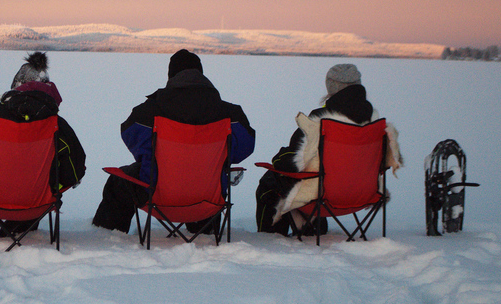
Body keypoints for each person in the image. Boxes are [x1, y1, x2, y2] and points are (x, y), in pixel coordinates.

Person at [92, 49, 256, 233]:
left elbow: (130, 135)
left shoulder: (151, 110)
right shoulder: (230, 114)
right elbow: (245, 147)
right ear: (201, 74)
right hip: (209, 198)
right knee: (213, 175)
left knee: (118, 181)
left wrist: (154, 156)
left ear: (171, 75)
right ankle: (205, 233)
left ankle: (106, 238)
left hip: (157, 193)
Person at [255, 63, 403, 236]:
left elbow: (294, 161)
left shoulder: (321, 121)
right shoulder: (374, 122)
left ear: (331, 86)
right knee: (321, 176)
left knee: (272, 181)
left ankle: (271, 238)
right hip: (363, 193)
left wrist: (278, 159)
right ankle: (313, 228)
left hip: (323, 196)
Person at [0, 51, 86, 239]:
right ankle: (18, 231)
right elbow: (74, 170)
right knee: (48, 181)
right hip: (37, 203)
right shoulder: (57, 126)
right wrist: (54, 183)